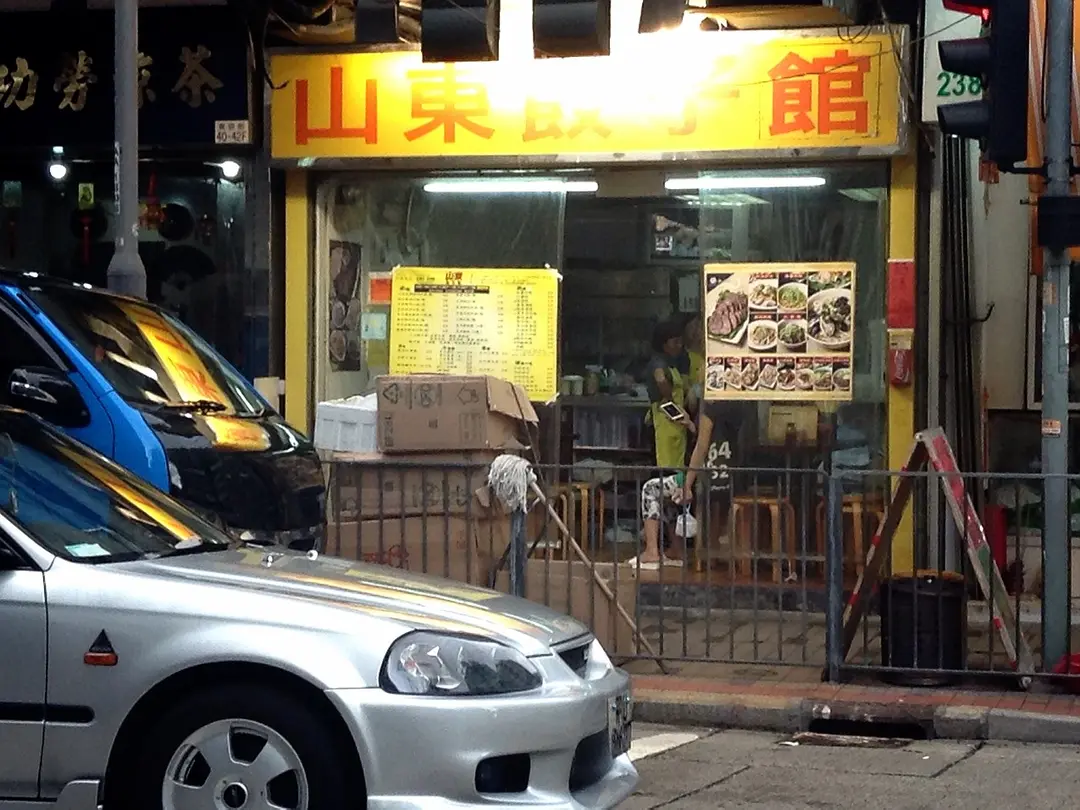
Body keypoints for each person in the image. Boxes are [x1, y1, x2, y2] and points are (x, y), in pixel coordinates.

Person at [626, 400, 738, 569]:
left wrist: (687, 484)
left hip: (701, 476)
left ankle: (651, 551)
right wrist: (690, 424)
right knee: (669, 494)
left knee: (651, 489)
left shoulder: (712, 405)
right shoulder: (737, 408)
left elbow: (701, 446)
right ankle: (676, 549)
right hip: (722, 475)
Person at [645, 319, 693, 471]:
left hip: (675, 427)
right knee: (666, 472)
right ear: (664, 344)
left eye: (680, 342)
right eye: (675, 342)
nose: (679, 346)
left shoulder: (671, 362)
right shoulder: (658, 362)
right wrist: (686, 420)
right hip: (664, 424)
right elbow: (661, 380)